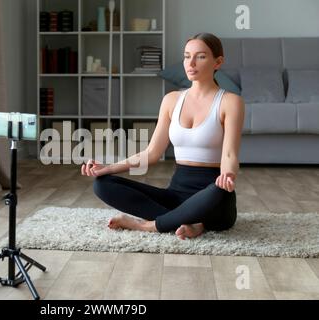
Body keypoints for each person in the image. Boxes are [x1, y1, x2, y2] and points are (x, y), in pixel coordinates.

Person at [81, 33, 245, 240]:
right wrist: (107, 167)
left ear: (218, 62)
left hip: (213, 198)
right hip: (175, 196)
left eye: (201, 57)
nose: (191, 63)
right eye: (187, 56)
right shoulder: (171, 100)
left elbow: (230, 154)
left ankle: (148, 226)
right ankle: (191, 223)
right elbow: (151, 153)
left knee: (219, 191)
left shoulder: (231, 102)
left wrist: (228, 175)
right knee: (102, 184)